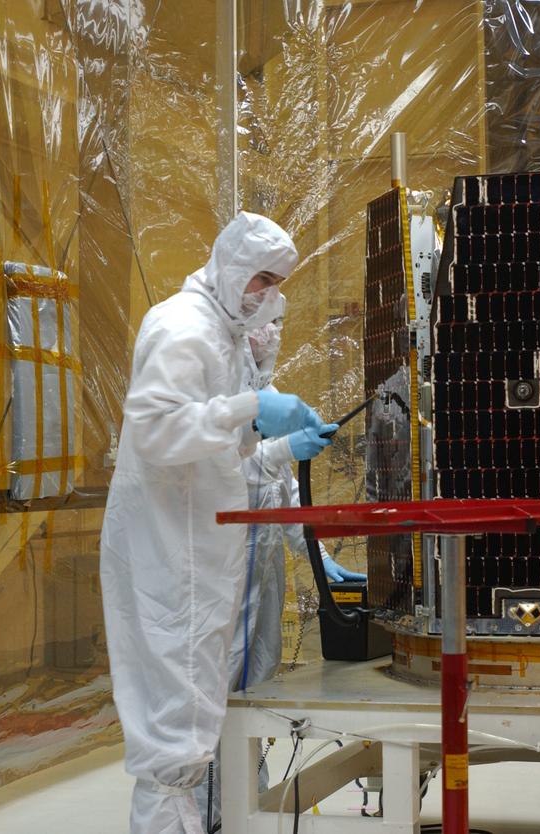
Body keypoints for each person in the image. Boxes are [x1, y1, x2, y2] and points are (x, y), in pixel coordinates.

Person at [100, 212, 335, 834]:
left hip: (200, 549)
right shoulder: (182, 326)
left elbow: (217, 446)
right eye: (262, 279)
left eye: (277, 284)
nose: (269, 296)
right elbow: (154, 430)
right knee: (177, 725)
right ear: (230, 265)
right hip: (171, 554)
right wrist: (252, 406)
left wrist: (259, 428)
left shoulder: (222, 336)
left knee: (198, 711)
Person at [195, 318, 364, 830]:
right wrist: (284, 448)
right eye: (262, 324)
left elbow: (281, 492)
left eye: (278, 325)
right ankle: (209, 812)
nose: (270, 335)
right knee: (214, 693)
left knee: (256, 686)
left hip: (259, 574)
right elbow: (216, 470)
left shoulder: (258, 392)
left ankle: (246, 796)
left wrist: (315, 554)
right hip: (215, 574)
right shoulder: (208, 386)